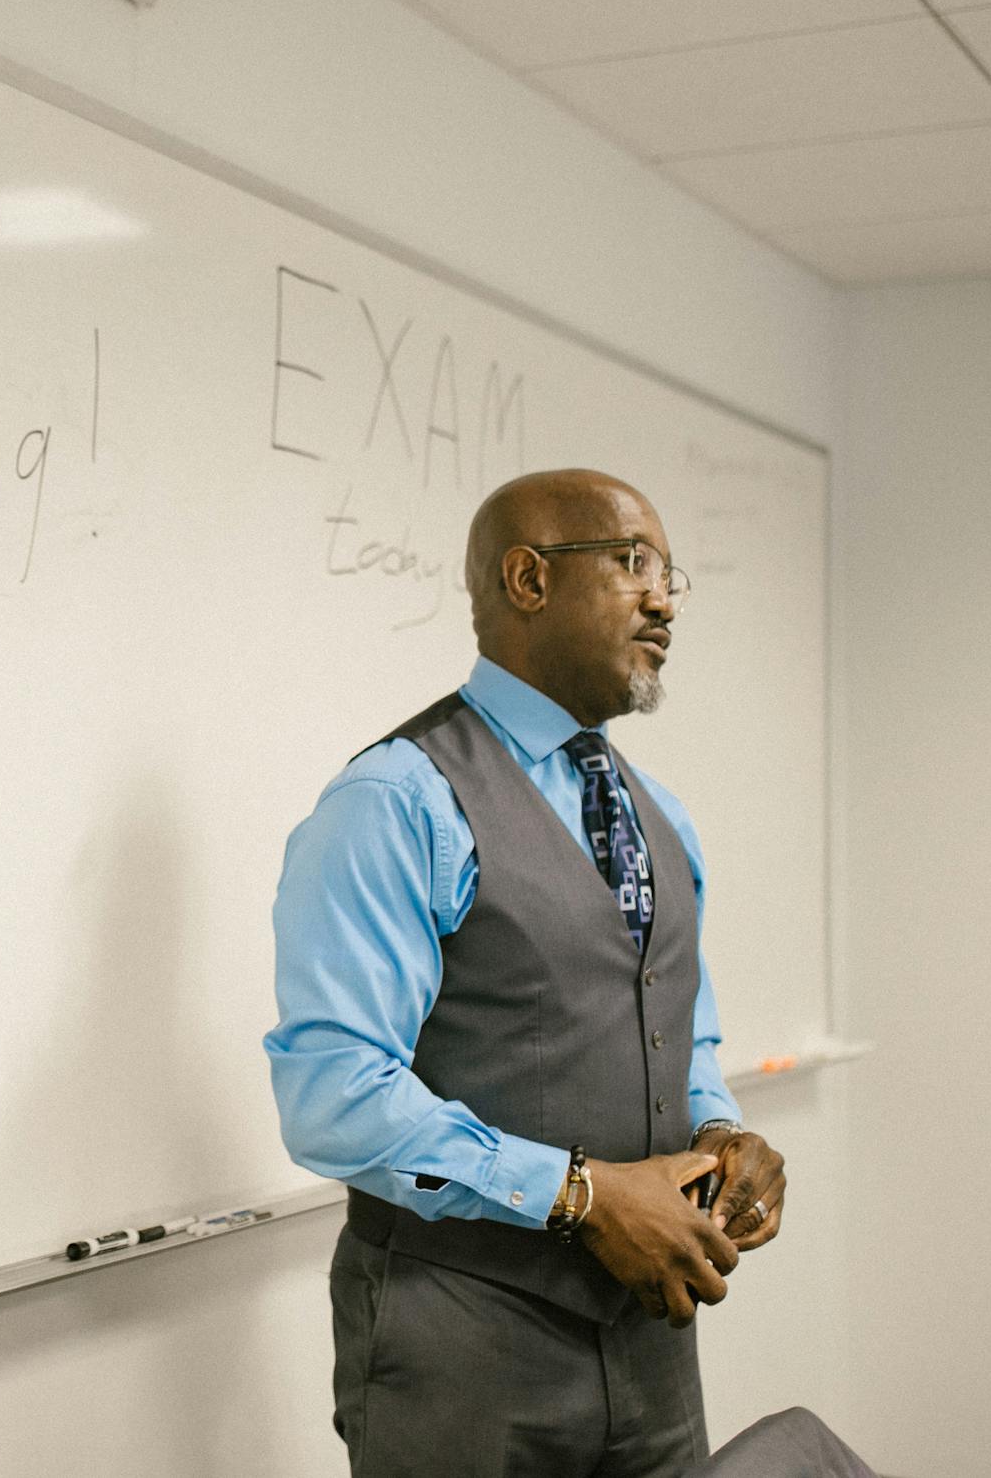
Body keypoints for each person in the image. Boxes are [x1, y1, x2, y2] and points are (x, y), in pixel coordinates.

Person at [267, 468, 788, 1478]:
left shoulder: (660, 815)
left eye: (669, 573)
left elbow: (680, 1037)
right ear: (526, 578)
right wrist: (584, 1197)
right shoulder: (397, 801)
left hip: (652, 1343)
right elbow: (331, 1097)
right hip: (460, 1341)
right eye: (633, 563)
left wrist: (722, 1133)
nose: (664, 598)